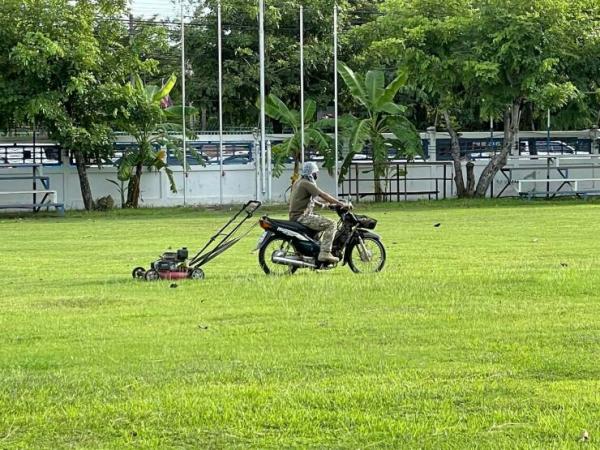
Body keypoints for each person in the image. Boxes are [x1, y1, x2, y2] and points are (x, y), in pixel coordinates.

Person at [288, 162, 347, 264]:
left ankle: (315, 258)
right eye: (316, 173)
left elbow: (307, 199)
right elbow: (322, 194)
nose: (317, 176)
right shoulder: (307, 183)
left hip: (296, 216)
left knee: (318, 228)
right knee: (331, 224)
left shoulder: (298, 182)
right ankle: (325, 253)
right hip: (302, 216)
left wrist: (325, 205)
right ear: (312, 173)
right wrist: (340, 203)